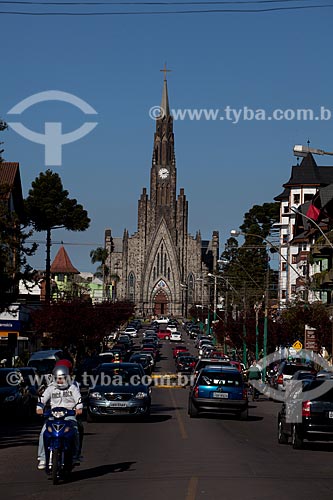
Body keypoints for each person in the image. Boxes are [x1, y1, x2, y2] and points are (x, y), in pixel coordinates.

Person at [36, 365, 83, 470]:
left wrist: (79, 408)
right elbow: (42, 399)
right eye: (58, 378)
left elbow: (79, 399)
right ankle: (42, 457)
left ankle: (75, 456)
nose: (60, 381)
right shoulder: (51, 388)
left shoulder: (73, 387)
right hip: (53, 415)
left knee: (75, 431)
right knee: (44, 432)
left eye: (62, 378)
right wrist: (39, 408)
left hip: (69, 416)